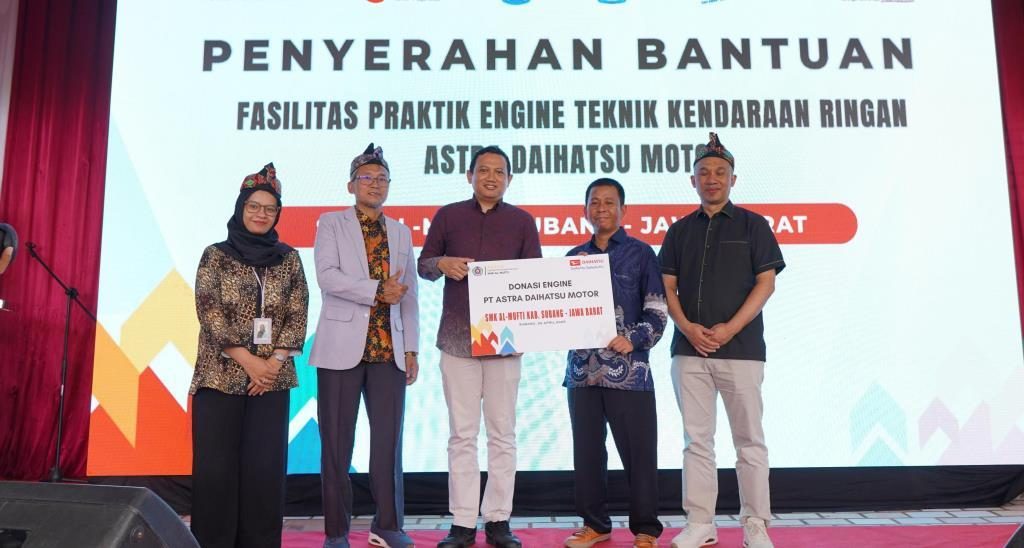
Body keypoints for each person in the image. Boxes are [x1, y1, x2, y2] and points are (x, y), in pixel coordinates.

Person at [658, 134, 784, 548]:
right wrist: (686, 327)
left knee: (749, 441)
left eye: (720, 172)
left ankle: (755, 524)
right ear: (692, 180)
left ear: (733, 179)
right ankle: (700, 523)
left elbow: (766, 283)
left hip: (742, 351)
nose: (711, 178)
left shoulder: (754, 225)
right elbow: (667, 288)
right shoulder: (678, 231)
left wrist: (730, 328)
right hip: (689, 351)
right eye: (704, 172)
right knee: (697, 441)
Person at [418, 145, 541, 548]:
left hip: (505, 341)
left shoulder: (523, 222)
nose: (491, 177)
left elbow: (537, 278)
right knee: (462, 435)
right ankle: (462, 523)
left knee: (503, 434)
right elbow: (424, 265)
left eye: (499, 171)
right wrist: (442, 264)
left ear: (509, 179)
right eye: (483, 170)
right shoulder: (448, 215)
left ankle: (499, 520)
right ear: (469, 176)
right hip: (458, 340)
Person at [190, 163, 309, 548]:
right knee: (216, 472)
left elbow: (298, 312)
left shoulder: (288, 258)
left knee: (264, 472)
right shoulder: (215, 256)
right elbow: (209, 311)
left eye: (270, 208)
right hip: (219, 377)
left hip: (272, 381)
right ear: (241, 208)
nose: (261, 214)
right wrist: (250, 362)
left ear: (278, 214)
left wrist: (271, 365)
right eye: (254, 206)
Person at [309, 143, 419, 548]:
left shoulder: (401, 232)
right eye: (367, 178)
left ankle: (387, 525)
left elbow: (409, 293)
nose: (375, 184)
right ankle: (336, 531)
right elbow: (327, 276)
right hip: (341, 348)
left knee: (389, 444)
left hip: (389, 350)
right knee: (336, 446)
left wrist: (411, 349)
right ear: (351, 185)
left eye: (382, 178)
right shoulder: (331, 223)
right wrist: (376, 291)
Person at [562, 178, 667, 548]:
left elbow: (657, 313)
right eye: (595, 202)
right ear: (585, 210)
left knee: (639, 453)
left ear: (624, 210)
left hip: (629, 372)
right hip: (582, 372)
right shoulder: (573, 258)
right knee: (587, 453)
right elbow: (559, 313)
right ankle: (595, 525)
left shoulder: (641, 254)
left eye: (609, 202)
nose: (601, 209)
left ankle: (645, 529)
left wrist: (632, 339)